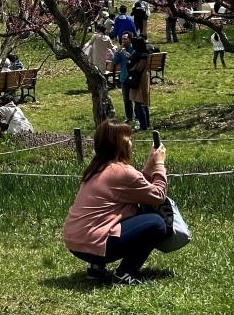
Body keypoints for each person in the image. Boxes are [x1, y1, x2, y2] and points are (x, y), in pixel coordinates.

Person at [62, 120, 169, 285]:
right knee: (156, 223)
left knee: (120, 216)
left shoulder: (96, 169)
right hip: (94, 244)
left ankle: (96, 267)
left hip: (75, 242)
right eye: (129, 139)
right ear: (120, 144)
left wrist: (150, 164)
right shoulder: (122, 172)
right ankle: (124, 272)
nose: (131, 143)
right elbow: (158, 195)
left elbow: (135, 188)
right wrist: (160, 165)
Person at [127, 36, 153, 131]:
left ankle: (144, 125)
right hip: (140, 78)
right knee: (141, 102)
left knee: (140, 102)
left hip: (139, 79)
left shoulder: (143, 55)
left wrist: (131, 66)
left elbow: (139, 68)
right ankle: (146, 124)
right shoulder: (140, 53)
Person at [111, 34, 134, 123]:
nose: (123, 41)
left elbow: (131, 59)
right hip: (124, 78)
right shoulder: (120, 50)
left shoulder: (134, 49)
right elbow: (115, 61)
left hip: (133, 77)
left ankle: (137, 117)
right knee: (126, 99)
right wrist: (118, 51)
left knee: (136, 99)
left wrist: (124, 51)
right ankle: (129, 117)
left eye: (125, 39)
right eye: (122, 39)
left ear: (130, 40)